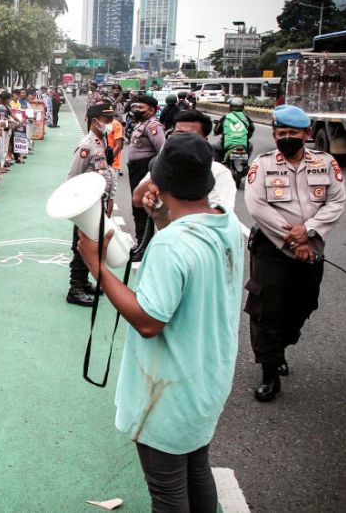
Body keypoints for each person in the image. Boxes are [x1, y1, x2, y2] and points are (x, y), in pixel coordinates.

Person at [77, 133, 243, 513]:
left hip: (168, 393)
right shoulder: (227, 222)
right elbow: (184, 269)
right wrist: (162, 218)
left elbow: (150, 321)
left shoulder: (171, 246)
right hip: (206, 381)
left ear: (161, 182)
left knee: (168, 494)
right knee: (197, 470)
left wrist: (96, 266)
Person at [244, 105, 346, 402]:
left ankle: (281, 347)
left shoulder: (326, 163)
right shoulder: (261, 165)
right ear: (274, 135)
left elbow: (336, 202)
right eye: (281, 133)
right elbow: (257, 206)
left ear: (307, 134)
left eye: (293, 133)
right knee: (266, 310)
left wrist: (309, 231)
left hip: (312, 247)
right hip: (271, 248)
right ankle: (269, 371)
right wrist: (293, 241)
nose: (287, 138)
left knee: (303, 305)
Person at [132, 110, 237, 216]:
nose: (182, 140)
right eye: (179, 134)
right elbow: (137, 200)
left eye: (190, 135)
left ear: (204, 140)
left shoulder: (219, 172)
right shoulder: (164, 165)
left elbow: (221, 216)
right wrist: (162, 172)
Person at [65, 103, 117, 307]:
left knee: (93, 244)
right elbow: (72, 178)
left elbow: (108, 173)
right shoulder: (86, 146)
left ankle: (84, 282)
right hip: (87, 206)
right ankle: (75, 288)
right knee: (81, 246)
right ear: (94, 121)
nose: (110, 123)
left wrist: (110, 199)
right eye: (106, 120)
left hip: (99, 203)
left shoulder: (102, 141)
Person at [127, 95, 166, 245]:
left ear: (151, 110)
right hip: (136, 169)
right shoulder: (141, 124)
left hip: (145, 168)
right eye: (136, 107)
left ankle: (144, 245)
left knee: (142, 207)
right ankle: (141, 242)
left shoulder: (153, 126)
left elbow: (162, 149)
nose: (137, 110)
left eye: (141, 108)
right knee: (136, 207)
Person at [212, 96, 255, 161]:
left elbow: (216, 131)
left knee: (214, 147)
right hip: (243, 145)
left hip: (227, 144)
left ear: (230, 107)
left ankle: (218, 166)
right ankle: (245, 164)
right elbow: (252, 129)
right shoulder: (246, 118)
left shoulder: (226, 117)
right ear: (243, 108)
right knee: (250, 146)